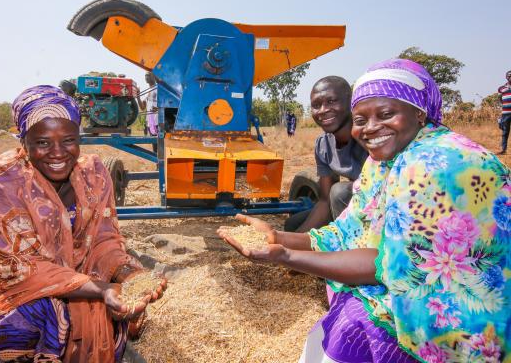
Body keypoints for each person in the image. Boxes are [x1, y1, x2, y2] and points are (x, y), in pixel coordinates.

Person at [219, 59, 510, 362]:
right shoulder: (380, 160)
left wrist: (286, 256)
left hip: (465, 315)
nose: (371, 128)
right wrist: (277, 236)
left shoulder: (433, 163)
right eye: (361, 119)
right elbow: (349, 229)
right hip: (398, 274)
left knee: (351, 324)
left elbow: (386, 265)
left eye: (386, 114)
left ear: (419, 111)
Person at [0, 85, 166, 363]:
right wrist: (102, 290)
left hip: (75, 274)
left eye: (68, 140)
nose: (58, 153)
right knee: (40, 313)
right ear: (23, 141)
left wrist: (126, 274)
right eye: (42, 142)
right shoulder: (3, 180)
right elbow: (18, 267)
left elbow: (105, 240)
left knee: (112, 314)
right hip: (5, 282)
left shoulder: (93, 173)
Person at [284, 76, 368, 232]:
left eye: (331, 101)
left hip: (382, 207)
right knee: (293, 225)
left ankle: (349, 250)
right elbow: (324, 201)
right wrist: (291, 242)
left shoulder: (369, 135)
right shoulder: (323, 145)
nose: (322, 110)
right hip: (354, 203)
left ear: (351, 102)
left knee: (340, 192)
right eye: (316, 105)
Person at [136, 72, 158, 137]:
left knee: (159, 142)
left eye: (148, 75)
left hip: (158, 120)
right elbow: (142, 107)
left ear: (154, 77)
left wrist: (159, 108)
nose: (146, 77)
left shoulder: (159, 89)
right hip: (151, 121)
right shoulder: (147, 91)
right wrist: (138, 96)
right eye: (145, 75)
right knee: (154, 143)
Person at [497, 70, 511, 155]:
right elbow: (500, 98)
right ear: (506, 77)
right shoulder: (502, 88)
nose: (510, 77)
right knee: (505, 132)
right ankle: (503, 150)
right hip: (505, 113)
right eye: (509, 76)